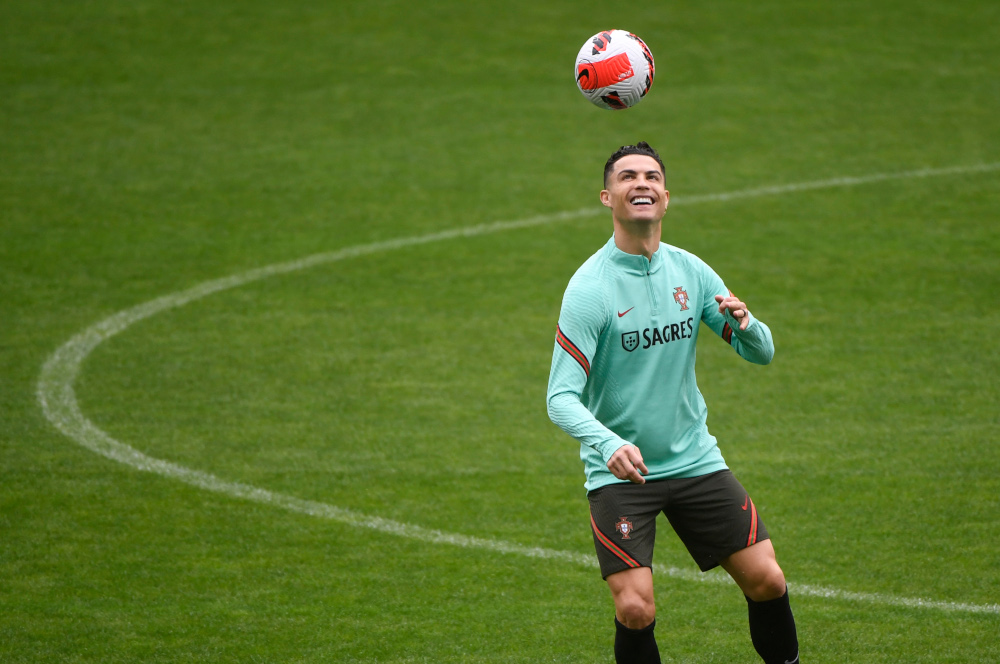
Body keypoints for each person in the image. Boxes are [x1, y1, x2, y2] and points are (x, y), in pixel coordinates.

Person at [546, 142, 799, 664]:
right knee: (636, 608)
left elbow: (763, 353)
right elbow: (559, 398)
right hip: (623, 477)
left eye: (652, 176)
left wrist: (747, 325)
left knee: (768, 579)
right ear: (606, 196)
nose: (642, 183)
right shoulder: (590, 288)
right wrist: (608, 442)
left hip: (695, 461)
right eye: (628, 177)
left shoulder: (691, 272)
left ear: (666, 197)